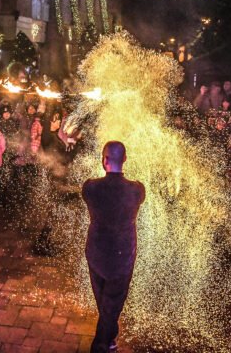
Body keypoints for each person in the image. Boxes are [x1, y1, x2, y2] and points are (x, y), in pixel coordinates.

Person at [82, 141, 145, 353]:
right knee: (112, 304)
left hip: (97, 254)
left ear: (104, 159)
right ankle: (104, 343)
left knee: (104, 303)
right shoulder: (137, 189)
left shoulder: (90, 187)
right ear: (125, 159)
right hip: (122, 256)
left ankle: (105, 342)